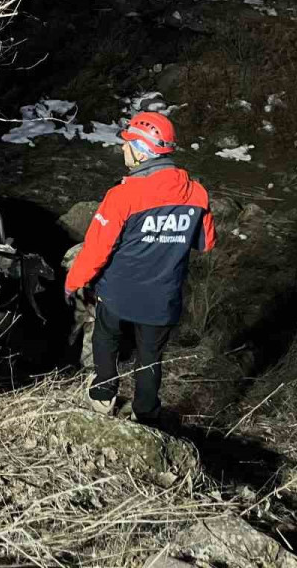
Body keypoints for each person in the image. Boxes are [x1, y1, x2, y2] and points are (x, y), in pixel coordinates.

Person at [64, 111, 216, 425]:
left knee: (105, 340)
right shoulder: (197, 194)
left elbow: (96, 250)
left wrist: (73, 282)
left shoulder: (123, 195)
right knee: (150, 357)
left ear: (143, 150)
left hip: (118, 294)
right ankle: (146, 411)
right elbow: (205, 243)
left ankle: (103, 397)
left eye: (128, 143)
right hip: (163, 297)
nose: (122, 148)